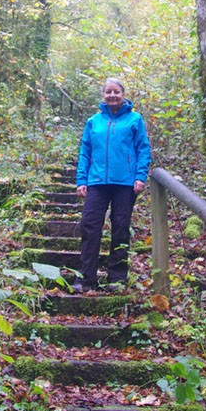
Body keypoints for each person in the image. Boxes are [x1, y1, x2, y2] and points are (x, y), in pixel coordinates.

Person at [72, 78, 151, 293]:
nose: (112, 95)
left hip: (125, 184)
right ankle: (86, 278)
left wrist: (140, 176)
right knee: (89, 227)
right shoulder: (94, 122)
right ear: (103, 96)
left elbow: (143, 149)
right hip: (97, 182)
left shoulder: (135, 120)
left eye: (116, 91)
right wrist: (81, 180)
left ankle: (117, 279)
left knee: (120, 228)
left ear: (123, 94)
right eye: (108, 92)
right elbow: (85, 152)